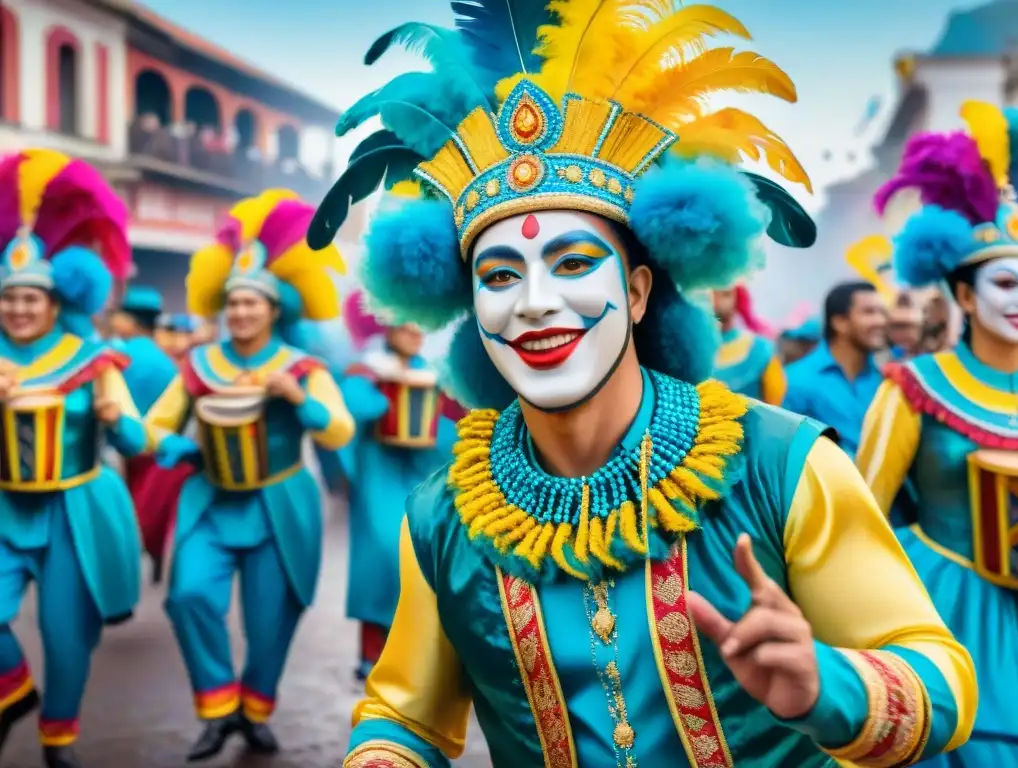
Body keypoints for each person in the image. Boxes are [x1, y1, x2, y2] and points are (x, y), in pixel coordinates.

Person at [310, 3, 976, 766]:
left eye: (570, 264)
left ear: (634, 293)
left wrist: (829, 684)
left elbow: (941, 682)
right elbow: (407, 718)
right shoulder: (445, 516)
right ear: (469, 309)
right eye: (499, 275)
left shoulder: (782, 467)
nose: (533, 302)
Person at [145, 190, 355, 761]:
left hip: (278, 507)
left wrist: (300, 400)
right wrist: (177, 449)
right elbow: (155, 426)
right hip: (209, 503)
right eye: (233, 303)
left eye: (252, 304)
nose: (240, 313)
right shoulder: (199, 365)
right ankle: (216, 706)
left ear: (275, 309)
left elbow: (338, 430)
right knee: (187, 595)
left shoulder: (301, 367)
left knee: (272, 621)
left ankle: (256, 707)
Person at [857, 102, 1018, 766]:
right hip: (947, 607)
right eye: (1006, 282)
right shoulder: (914, 386)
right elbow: (857, 516)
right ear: (961, 296)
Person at [0, 149, 146, 768]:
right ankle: (13, 691)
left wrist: (119, 419)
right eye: (9, 299)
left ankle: (58, 740)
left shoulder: (94, 359)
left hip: (71, 514)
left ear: (57, 301)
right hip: (5, 511)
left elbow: (136, 442)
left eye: (31, 299)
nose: (19, 309)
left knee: (67, 639)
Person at [338, 291, 457, 681]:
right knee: (385, 557)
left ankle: (425, 653)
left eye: (417, 326)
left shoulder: (437, 373)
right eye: (405, 325)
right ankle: (374, 652)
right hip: (379, 476)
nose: (413, 333)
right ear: (386, 327)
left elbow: (448, 431)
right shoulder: (365, 370)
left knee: (427, 560)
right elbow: (353, 410)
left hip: (426, 477)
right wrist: (384, 388)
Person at [109, 284, 186, 582]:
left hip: (127, 445)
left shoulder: (117, 357)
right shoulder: (165, 360)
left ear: (130, 320)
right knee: (152, 507)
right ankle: (153, 560)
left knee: (126, 509)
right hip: (159, 449)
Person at [782, 281, 886, 456]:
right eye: (869, 312)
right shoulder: (797, 381)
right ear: (840, 322)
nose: (881, 321)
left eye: (883, 312)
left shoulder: (885, 381)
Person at [712, 283, 786, 404]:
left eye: (725, 293)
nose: (716, 300)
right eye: (709, 294)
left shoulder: (761, 349)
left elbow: (777, 413)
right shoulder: (683, 352)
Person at [885, 290, 924, 361]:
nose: (906, 333)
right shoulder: (881, 356)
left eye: (912, 327)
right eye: (898, 327)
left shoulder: (924, 358)